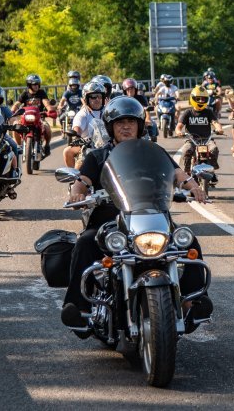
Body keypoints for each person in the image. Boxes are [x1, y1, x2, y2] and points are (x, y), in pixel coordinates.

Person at [60, 97, 211, 331]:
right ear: (111, 127)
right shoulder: (98, 156)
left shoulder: (153, 151)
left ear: (140, 125)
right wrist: (77, 194)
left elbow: (177, 173)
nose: (126, 126)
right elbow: (82, 180)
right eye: (120, 122)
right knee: (86, 242)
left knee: (187, 240)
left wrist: (193, 187)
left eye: (131, 121)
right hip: (110, 220)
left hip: (152, 215)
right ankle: (79, 307)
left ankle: (193, 301)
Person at [175, 86, 223, 181]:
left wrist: (219, 129)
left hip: (207, 139)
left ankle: (211, 170)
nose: (201, 101)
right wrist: (179, 132)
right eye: (198, 99)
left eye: (203, 99)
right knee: (186, 151)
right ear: (193, 99)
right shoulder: (188, 112)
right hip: (192, 139)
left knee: (214, 149)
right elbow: (179, 126)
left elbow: (215, 122)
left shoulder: (208, 112)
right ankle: (187, 173)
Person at [62, 81, 106, 168]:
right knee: (68, 152)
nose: (97, 99)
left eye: (100, 96)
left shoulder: (108, 111)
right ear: (86, 98)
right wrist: (76, 135)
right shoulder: (83, 114)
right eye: (93, 96)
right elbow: (77, 128)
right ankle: (75, 177)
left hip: (108, 145)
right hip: (88, 146)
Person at [11, 74, 57, 155]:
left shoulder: (41, 92)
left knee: (47, 128)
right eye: (34, 84)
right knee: (15, 126)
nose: (36, 86)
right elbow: (18, 103)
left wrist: (49, 110)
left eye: (37, 84)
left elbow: (46, 102)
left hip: (39, 117)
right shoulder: (25, 94)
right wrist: (12, 110)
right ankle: (19, 146)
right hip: (25, 117)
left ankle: (47, 145)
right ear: (29, 85)